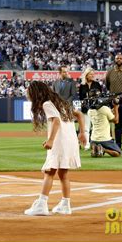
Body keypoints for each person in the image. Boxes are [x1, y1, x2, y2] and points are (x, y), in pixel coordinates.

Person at [24, 81, 86, 216]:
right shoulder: (60, 102)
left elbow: (56, 121)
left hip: (60, 141)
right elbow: (80, 114)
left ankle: (41, 204)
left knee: (49, 172)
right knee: (63, 173)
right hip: (70, 141)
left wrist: (51, 140)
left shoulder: (47, 103)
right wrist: (82, 133)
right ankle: (65, 204)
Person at [78, 67, 102, 150]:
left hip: (95, 108)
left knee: (96, 127)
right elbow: (81, 97)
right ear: (86, 75)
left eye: (93, 74)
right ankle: (87, 144)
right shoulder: (82, 85)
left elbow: (100, 96)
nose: (92, 75)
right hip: (85, 108)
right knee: (86, 128)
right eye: (90, 74)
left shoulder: (97, 84)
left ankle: (96, 143)